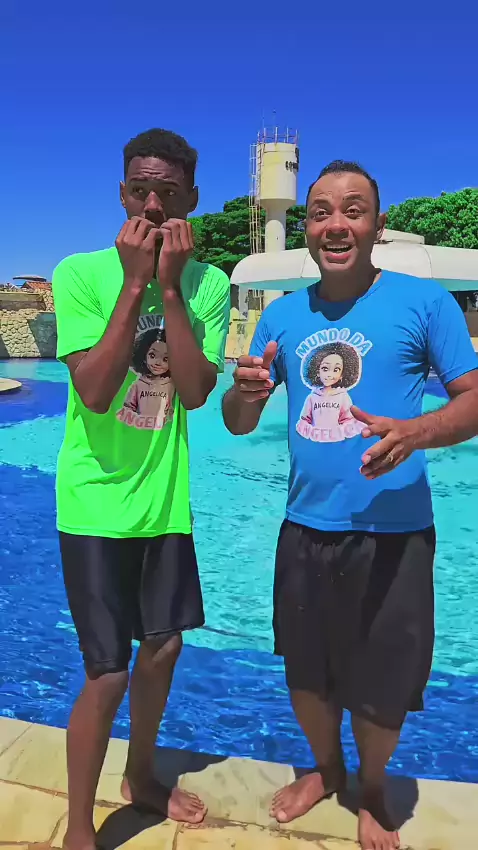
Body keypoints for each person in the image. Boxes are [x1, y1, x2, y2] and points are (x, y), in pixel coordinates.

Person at [222, 160, 478, 850]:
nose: (336, 224)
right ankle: (326, 768)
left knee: (384, 680)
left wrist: (418, 431)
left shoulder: (424, 303)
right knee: (305, 671)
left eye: (353, 210)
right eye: (321, 212)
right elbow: (238, 423)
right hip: (305, 528)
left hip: (395, 533)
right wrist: (244, 394)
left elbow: (473, 397)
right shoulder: (282, 314)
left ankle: (369, 786)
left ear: (377, 225)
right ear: (307, 226)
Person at [52, 128, 230, 850]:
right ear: (122, 193)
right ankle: (79, 828)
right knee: (107, 673)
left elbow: (194, 391)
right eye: (139, 190)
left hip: (163, 504)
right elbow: (95, 393)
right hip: (94, 503)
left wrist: (170, 289)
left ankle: (140, 775)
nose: (153, 206)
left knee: (162, 649)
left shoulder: (209, 284)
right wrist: (134, 284)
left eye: (168, 192)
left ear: (192, 198)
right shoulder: (79, 273)